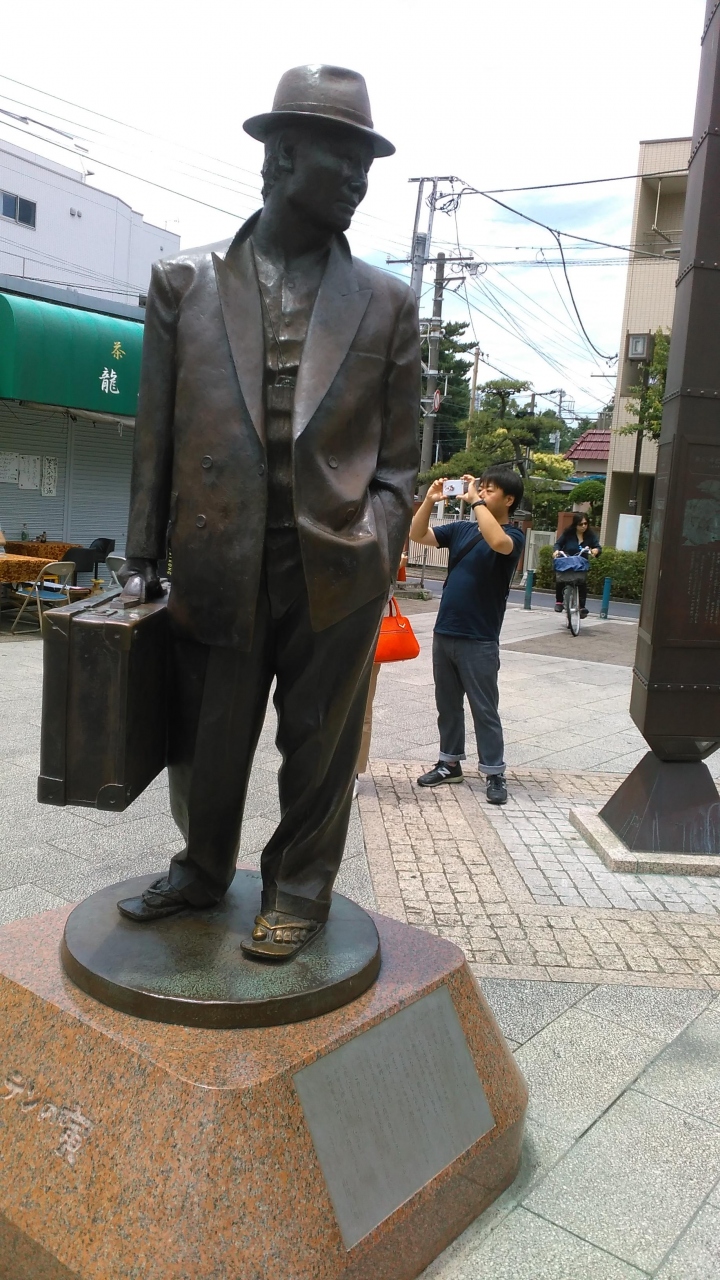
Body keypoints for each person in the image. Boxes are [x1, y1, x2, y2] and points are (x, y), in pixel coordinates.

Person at [114, 65, 420, 961]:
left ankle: (301, 889)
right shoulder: (184, 282)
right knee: (206, 738)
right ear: (283, 156)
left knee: (319, 745)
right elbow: (155, 432)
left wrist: (378, 540)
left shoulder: (387, 303)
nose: (359, 179)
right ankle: (201, 868)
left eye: (368, 163)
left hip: (337, 561)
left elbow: (401, 458)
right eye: (343, 157)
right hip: (218, 554)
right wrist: (142, 551)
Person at [411, 466, 525, 805]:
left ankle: (494, 771)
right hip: (445, 630)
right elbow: (418, 535)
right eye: (480, 488)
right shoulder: (462, 529)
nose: (482, 493)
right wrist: (429, 501)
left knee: (484, 708)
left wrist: (475, 502)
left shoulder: (513, 535)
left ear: (509, 499)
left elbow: (498, 542)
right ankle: (449, 763)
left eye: (490, 490)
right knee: (447, 705)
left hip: (480, 637)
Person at [553, 513, 601, 619]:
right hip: (567, 561)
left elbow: (597, 547)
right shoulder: (568, 534)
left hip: (580, 564)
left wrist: (595, 550)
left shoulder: (590, 535)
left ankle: (582, 607)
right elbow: (558, 544)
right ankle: (559, 602)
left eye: (585, 523)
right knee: (561, 578)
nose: (584, 526)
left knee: (582, 583)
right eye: (581, 524)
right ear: (575, 524)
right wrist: (556, 551)